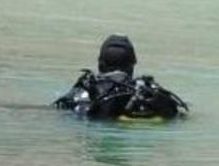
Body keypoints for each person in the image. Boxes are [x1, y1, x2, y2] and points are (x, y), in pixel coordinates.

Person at [53, 34, 188, 120]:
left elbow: (61, 109)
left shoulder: (86, 90)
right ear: (133, 64)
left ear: (100, 63)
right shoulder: (147, 90)